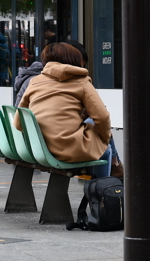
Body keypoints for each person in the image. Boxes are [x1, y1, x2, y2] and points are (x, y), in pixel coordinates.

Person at [14, 42, 111, 166]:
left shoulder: (34, 81)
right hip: (70, 150)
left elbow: (18, 122)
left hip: (40, 148)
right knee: (106, 150)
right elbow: (102, 117)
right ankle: (103, 185)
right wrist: (104, 138)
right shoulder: (82, 81)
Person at [64, 39, 121, 179]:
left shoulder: (37, 81)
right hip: (62, 145)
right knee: (103, 145)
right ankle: (108, 184)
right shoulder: (80, 82)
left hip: (36, 146)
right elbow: (102, 116)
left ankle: (116, 167)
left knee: (94, 122)